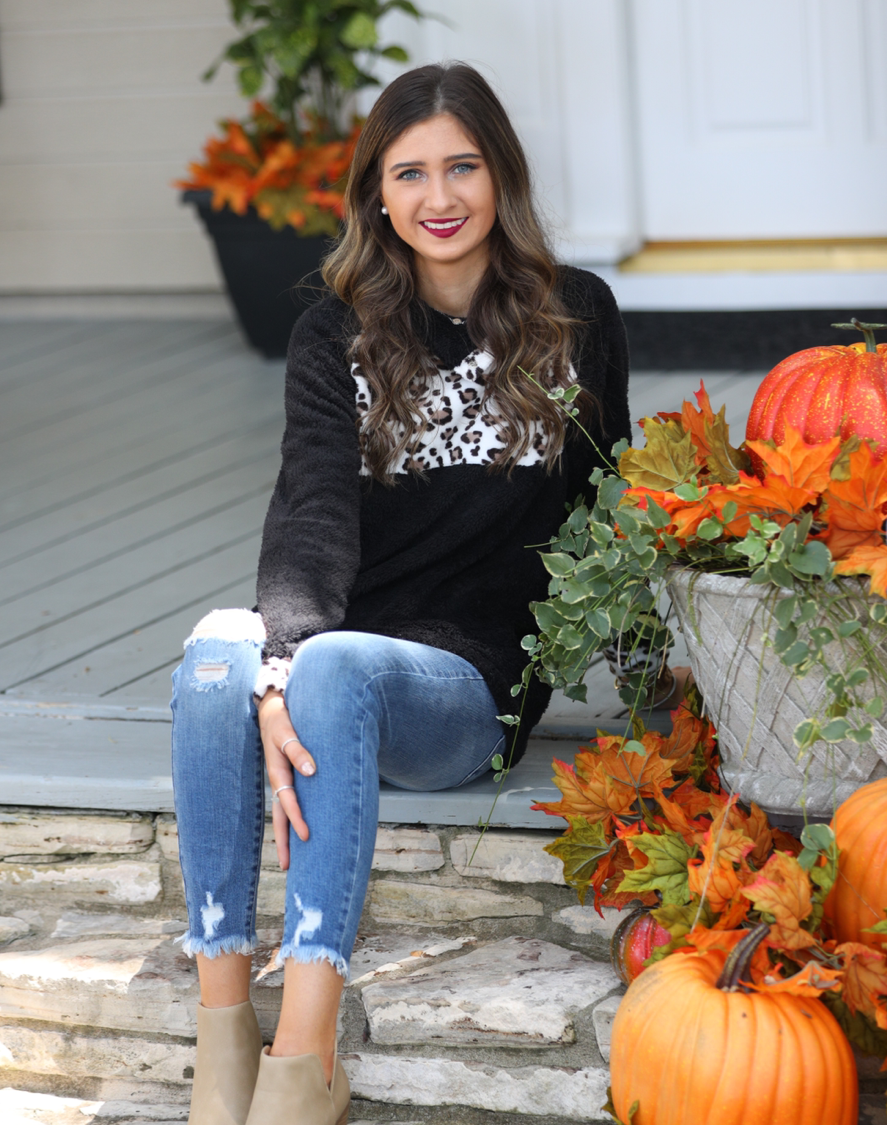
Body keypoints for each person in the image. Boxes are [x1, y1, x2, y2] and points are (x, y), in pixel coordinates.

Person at [170, 60, 656, 1125]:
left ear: (501, 175)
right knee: (214, 657)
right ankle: (222, 1044)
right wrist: (276, 672)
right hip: (345, 660)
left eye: (462, 167)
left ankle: (305, 1061)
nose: (440, 197)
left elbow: (613, 503)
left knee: (331, 665)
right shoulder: (333, 331)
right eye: (411, 173)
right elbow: (310, 516)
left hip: (469, 688)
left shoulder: (574, 315)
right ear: (377, 195)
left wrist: (662, 687)